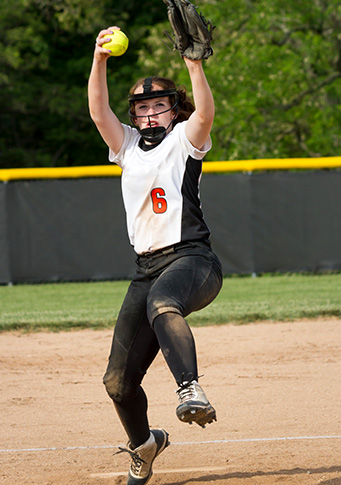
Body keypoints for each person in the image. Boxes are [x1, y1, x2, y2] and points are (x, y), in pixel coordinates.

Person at [88, 26, 223, 485]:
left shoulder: (186, 138)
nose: (148, 114)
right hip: (145, 268)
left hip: (193, 260)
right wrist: (99, 60)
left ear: (173, 109)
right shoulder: (124, 146)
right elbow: (97, 111)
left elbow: (205, 112)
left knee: (165, 303)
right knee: (117, 384)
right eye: (141, 108)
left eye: (158, 105)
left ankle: (190, 389)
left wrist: (193, 65)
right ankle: (146, 445)